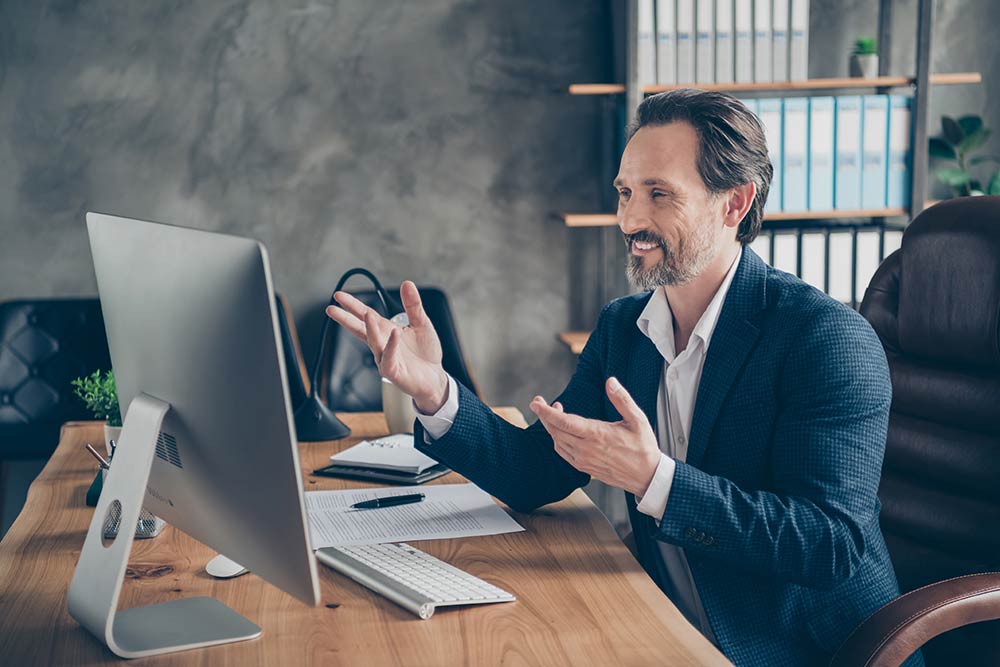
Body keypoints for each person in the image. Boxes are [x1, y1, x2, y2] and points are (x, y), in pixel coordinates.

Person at [326, 88, 921, 667]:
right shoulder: (625, 326)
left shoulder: (824, 338)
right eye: (625, 192)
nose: (631, 218)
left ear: (734, 203)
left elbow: (828, 546)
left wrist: (655, 479)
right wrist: (433, 389)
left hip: (794, 651)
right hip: (667, 627)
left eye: (660, 194)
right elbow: (538, 471)